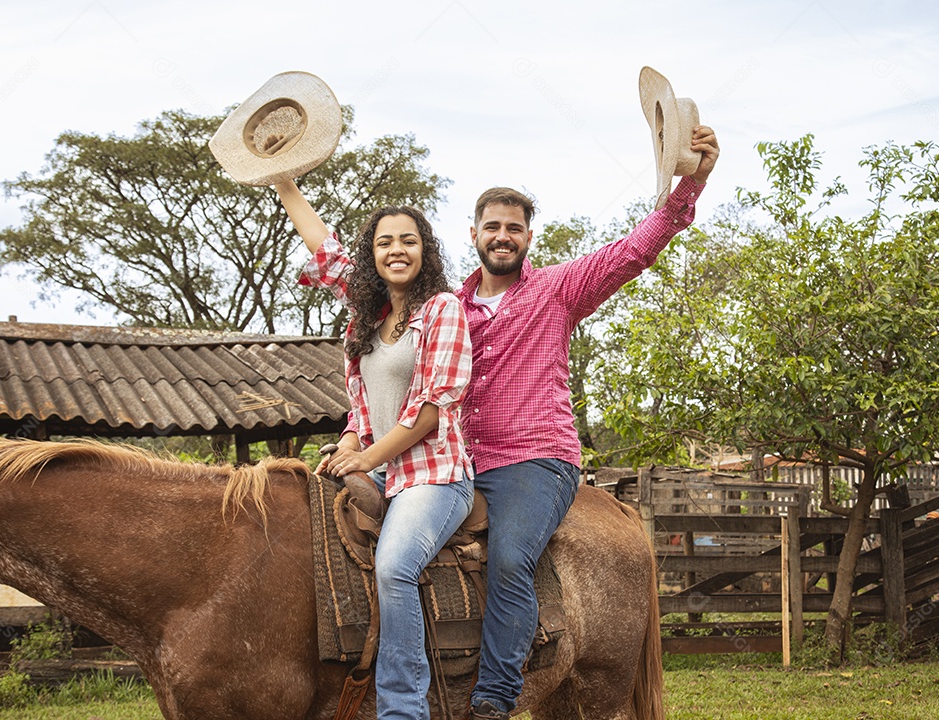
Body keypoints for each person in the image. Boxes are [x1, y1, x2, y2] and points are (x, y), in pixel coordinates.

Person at [461, 125, 720, 719]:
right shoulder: (450, 306)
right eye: (493, 227)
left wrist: (693, 181)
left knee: (508, 559)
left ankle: (495, 700)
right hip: (462, 461)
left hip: (536, 460)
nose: (503, 237)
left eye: (514, 228)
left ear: (529, 237)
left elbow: (633, 251)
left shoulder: (557, 290)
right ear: (473, 234)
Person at [274, 180, 475, 720]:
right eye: (384, 242)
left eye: (408, 240)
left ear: (425, 250)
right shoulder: (367, 318)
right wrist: (284, 183)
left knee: (393, 567)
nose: (396, 251)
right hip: (380, 466)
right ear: (373, 256)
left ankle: (403, 708)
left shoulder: (443, 310)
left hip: (434, 474)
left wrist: (367, 458)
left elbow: (433, 409)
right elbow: (325, 250)